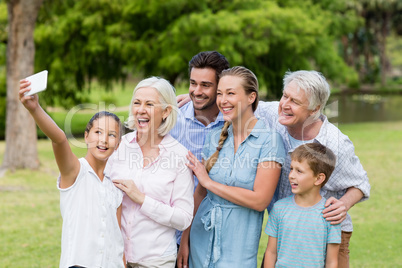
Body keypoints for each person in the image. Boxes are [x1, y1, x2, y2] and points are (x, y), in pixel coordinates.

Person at [256, 70, 370, 267]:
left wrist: (343, 204)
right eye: (285, 96)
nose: (285, 105)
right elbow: (236, 99)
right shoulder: (273, 114)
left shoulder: (335, 143)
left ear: (314, 109)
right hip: (286, 228)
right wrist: (190, 99)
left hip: (326, 233)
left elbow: (360, 183)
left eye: (295, 102)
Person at [184, 66, 286, 267]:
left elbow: (260, 200)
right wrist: (185, 240)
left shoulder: (270, 141)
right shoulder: (214, 137)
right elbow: (199, 193)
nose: (223, 100)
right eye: (220, 93)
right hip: (200, 239)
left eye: (231, 93)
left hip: (238, 246)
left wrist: (208, 182)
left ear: (251, 97)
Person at [19, 80, 125, 267]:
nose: (104, 140)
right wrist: (35, 109)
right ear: (86, 136)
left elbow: (118, 239)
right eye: (98, 132)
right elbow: (59, 140)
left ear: (117, 144)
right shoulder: (75, 172)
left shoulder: (115, 189)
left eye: (111, 135)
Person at [105, 77, 194, 268]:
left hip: (156, 260)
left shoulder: (179, 157)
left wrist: (142, 199)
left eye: (149, 104)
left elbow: (184, 218)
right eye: (137, 103)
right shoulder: (119, 147)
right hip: (114, 257)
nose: (140, 109)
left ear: (166, 111)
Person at [170, 51, 229, 267]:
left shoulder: (236, 121)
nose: (196, 91)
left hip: (220, 235)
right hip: (174, 234)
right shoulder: (172, 120)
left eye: (206, 85)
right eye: (193, 83)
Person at [264, 143, 341, 268]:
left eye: (299, 171)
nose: (291, 175)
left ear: (318, 179)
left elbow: (331, 262)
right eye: (291, 169)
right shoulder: (279, 209)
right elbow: (271, 253)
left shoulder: (330, 214)